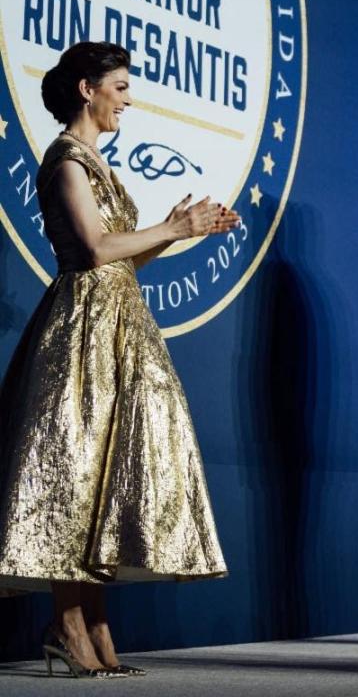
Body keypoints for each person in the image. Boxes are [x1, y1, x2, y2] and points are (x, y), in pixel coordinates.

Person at [0, 41, 236, 678]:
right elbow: (92, 249)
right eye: (123, 87)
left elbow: (122, 259)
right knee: (74, 475)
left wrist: (179, 226)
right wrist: (173, 229)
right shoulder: (66, 159)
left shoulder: (102, 164)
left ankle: (98, 624)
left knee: (104, 478)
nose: (129, 99)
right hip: (80, 332)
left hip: (122, 326)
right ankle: (69, 625)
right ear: (88, 89)